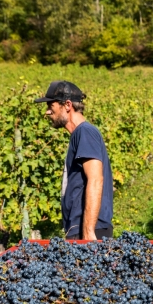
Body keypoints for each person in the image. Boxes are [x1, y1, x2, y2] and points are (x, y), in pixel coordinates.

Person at [34, 81, 113, 240]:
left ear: (67, 105)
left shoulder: (85, 132)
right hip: (81, 228)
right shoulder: (80, 134)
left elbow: (96, 179)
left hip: (89, 231)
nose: (47, 112)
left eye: (51, 106)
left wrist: (89, 232)